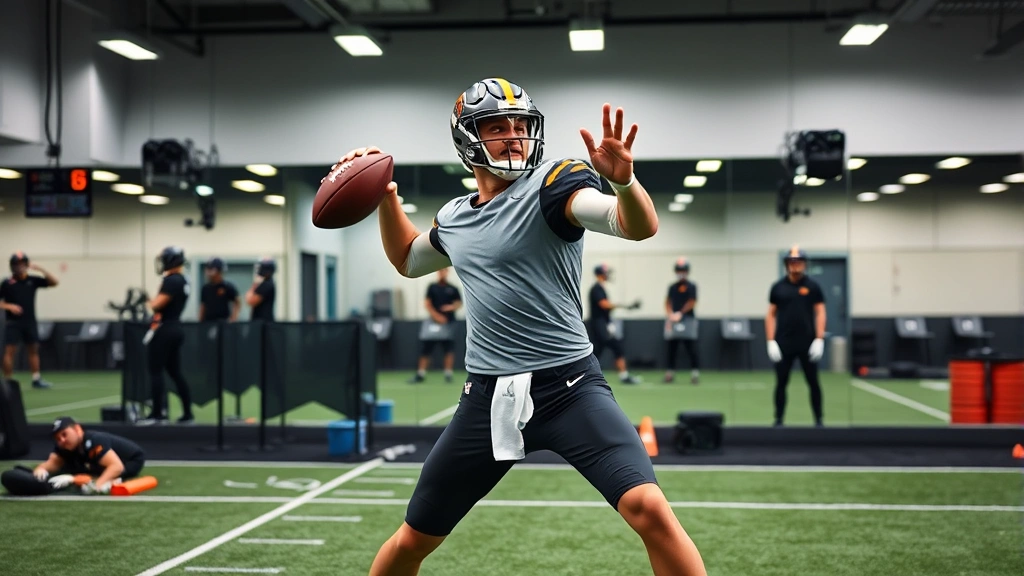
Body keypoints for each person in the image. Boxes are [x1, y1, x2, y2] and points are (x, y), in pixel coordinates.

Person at [328, 77, 706, 575]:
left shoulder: (555, 185)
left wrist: (624, 182)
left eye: (520, 126)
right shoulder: (457, 217)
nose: (513, 136)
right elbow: (407, 258)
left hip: (570, 388)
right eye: (497, 126)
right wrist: (384, 194)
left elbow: (635, 225)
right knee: (413, 538)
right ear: (468, 139)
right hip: (486, 399)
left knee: (650, 510)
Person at [765, 246, 826, 427]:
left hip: (807, 342)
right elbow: (770, 315)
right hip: (784, 342)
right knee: (781, 382)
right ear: (786, 264)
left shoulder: (813, 287)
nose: (795, 265)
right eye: (792, 262)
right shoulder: (778, 287)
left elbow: (821, 312)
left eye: (798, 261)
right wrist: (770, 341)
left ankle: (819, 420)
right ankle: (778, 419)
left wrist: (819, 338)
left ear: (804, 264)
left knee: (813, 382)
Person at [139, 246, 194, 425]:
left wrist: (146, 299)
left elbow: (157, 305)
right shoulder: (183, 280)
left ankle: (157, 414)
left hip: (165, 329)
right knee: (175, 372)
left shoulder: (173, 281)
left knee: (156, 371)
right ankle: (187, 413)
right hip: (175, 328)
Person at [33, 416, 146, 494]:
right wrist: (40, 470)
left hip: (131, 460)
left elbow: (117, 466)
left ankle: (108, 480)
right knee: (71, 470)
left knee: (92, 478)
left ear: (77, 429)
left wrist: (97, 485)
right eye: (58, 438)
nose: (62, 440)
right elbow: (52, 463)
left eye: (64, 434)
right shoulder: (64, 447)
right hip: (99, 462)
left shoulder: (94, 440)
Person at [1, 252, 58, 389]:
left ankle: (36, 378)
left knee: (33, 350)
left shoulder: (32, 280)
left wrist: (41, 270)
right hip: (13, 323)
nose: (19, 267)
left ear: (26, 265)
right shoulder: (7, 283)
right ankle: (8, 381)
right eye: (16, 264)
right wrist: (9, 306)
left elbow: (54, 282)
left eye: (21, 264)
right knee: (9, 351)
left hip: (30, 321)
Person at [588, 263, 643, 385]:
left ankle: (621, 375)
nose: (608, 275)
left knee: (600, 349)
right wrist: (624, 305)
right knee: (613, 347)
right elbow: (604, 304)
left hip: (603, 323)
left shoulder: (600, 288)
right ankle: (623, 375)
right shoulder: (597, 288)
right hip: (599, 324)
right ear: (601, 274)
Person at [409, 267, 462, 384]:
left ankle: (448, 374)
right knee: (426, 349)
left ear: (447, 272)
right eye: (440, 271)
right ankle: (421, 374)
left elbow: (458, 303)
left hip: (448, 323)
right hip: (433, 323)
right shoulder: (432, 287)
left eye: (444, 271)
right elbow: (427, 304)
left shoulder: (453, 289)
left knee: (448, 349)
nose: (442, 273)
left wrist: (451, 307)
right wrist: (437, 316)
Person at [664, 257, 700, 384]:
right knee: (671, 348)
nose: (681, 272)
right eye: (679, 270)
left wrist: (681, 313)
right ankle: (669, 373)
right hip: (674, 320)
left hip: (688, 320)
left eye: (683, 270)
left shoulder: (692, 286)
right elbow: (667, 302)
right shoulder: (672, 287)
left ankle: (695, 373)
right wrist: (670, 315)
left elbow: (692, 302)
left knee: (691, 347)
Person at [199, 257, 240, 322]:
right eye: (208, 269)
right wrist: (200, 321)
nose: (208, 273)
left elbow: (237, 302)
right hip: (208, 323)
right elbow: (203, 305)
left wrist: (233, 318)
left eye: (211, 269)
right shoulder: (205, 288)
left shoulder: (227, 286)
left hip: (223, 323)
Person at [246, 258, 276, 322]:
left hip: (263, 323)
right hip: (260, 322)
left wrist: (255, 284)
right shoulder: (265, 283)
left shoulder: (267, 284)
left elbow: (250, 301)